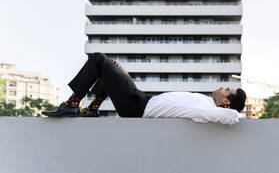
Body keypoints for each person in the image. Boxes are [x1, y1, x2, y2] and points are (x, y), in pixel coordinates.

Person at [42, 53, 246, 125]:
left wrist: (234, 114)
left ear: (226, 102)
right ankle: (94, 107)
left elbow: (231, 118)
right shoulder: (207, 103)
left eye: (227, 89)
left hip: (137, 106)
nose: (222, 87)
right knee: (112, 66)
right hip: (141, 100)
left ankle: (72, 104)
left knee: (99, 60)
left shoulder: (209, 110)